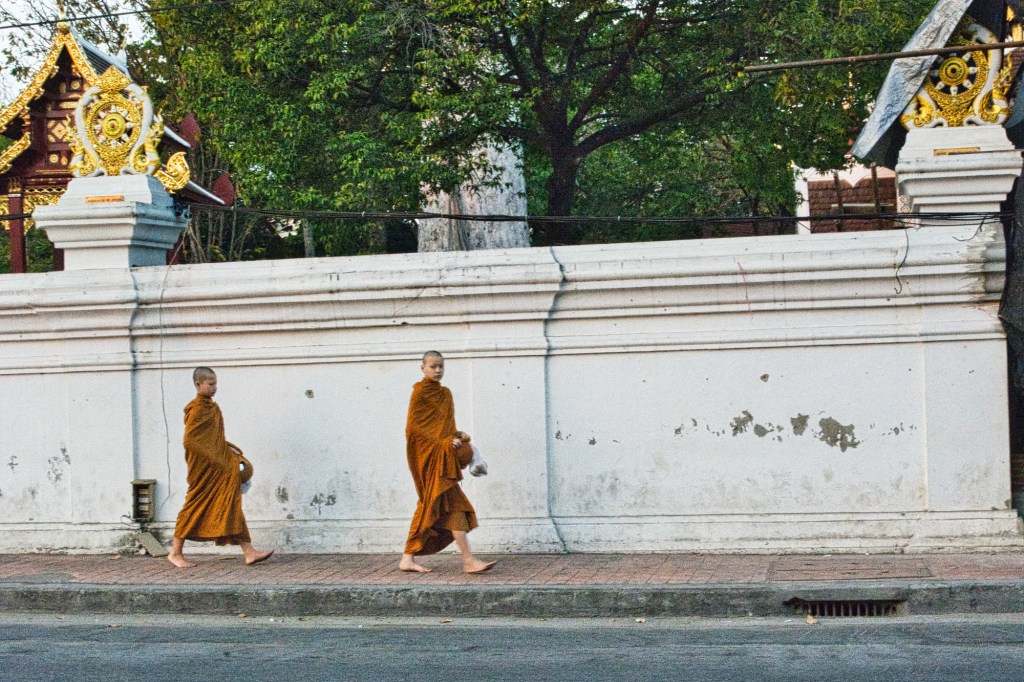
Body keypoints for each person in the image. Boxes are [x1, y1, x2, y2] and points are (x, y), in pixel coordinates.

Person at [166, 367, 274, 569]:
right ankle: (175, 552)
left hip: (217, 467)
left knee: (230, 500)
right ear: (198, 385)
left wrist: (225, 446)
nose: (215, 388)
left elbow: (210, 438)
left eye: (216, 383)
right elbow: (191, 441)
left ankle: (249, 552)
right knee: (193, 506)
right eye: (210, 384)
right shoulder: (197, 409)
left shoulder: (212, 408)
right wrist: (218, 457)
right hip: (204, 469)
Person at [400, 351, 496, 574]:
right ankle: (468, 561)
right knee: (448, 507)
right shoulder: (419, 394)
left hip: (444, 461)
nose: (438, 370)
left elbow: (445, 427)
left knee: (432, 506)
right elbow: (415, 431)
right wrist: (443, 442)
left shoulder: (445, 394)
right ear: (422, 367)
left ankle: (408, 557)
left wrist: (456, 436)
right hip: (430, 459)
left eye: (441, 366)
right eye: (433, 366)